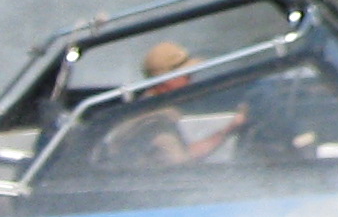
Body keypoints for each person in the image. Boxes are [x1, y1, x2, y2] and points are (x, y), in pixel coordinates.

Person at [96, 42, 247, 169]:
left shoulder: (147, 106)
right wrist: (230, 128)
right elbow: (182, 162)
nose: (191, 79)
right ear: (165, 80)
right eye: (186, 74)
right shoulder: (155, 121)